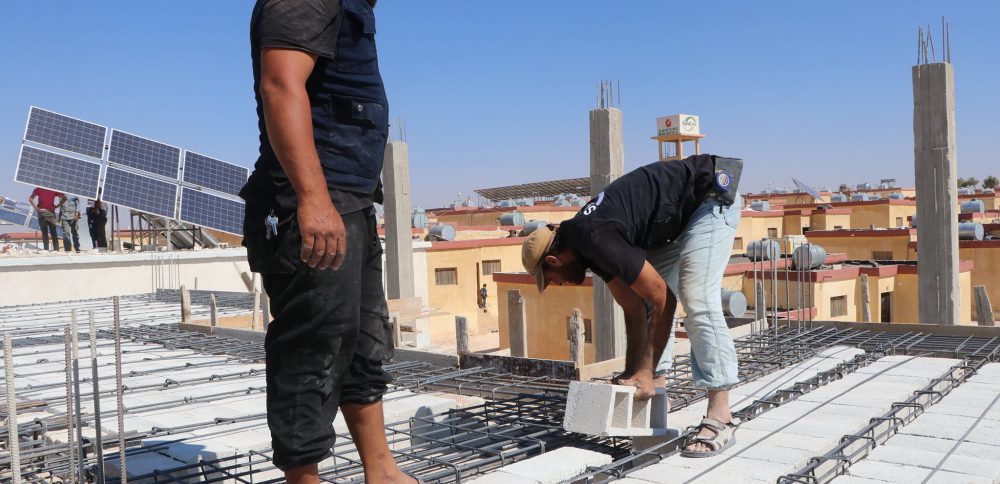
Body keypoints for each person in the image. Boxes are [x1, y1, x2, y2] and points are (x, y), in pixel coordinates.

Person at [239, 1, 415, 483]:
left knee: (363, 343)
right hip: (311, 201)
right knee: (311, 351)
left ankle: (381, 471)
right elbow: (280, 84)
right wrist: (313, 198)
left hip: (349, 202)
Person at [521, 154, 743, 457]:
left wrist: (643, 369)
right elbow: (634, 309)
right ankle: (655, 392)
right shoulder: (587, 248)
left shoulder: (594, 236)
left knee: (696, 297)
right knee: (650, 303)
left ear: (553, 260)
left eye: (551, 279)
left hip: (709, 196)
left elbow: (664, 298)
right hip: (674, 222)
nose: (557, 285)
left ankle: (721, 414)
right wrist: (632, 372)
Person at [28, 187, 65, 251]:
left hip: (41, 212)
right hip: (51, 213)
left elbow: (30, 199)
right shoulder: (53, 189)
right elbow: (64, 198)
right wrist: (57, 206)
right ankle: (56, 249)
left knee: (44, 232)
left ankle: (46, 249)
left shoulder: (38, 189)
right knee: (53, 232)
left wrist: (36, 208)